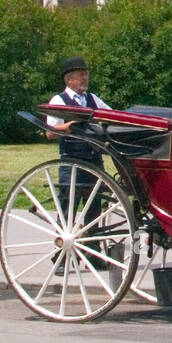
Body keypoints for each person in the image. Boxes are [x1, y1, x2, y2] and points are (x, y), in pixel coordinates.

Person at [46, 57, 112, 274]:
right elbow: (50, 132)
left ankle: (93, 254)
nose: (85, 77)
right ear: (69, 78)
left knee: (94, 209)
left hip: (93, 160)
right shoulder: (59, 100)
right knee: (68, 210)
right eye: (81, 74)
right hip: (72, 160)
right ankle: (62, 256)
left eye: (86, 73)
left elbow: (109, 116)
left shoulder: (93, 99)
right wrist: (69, 126)